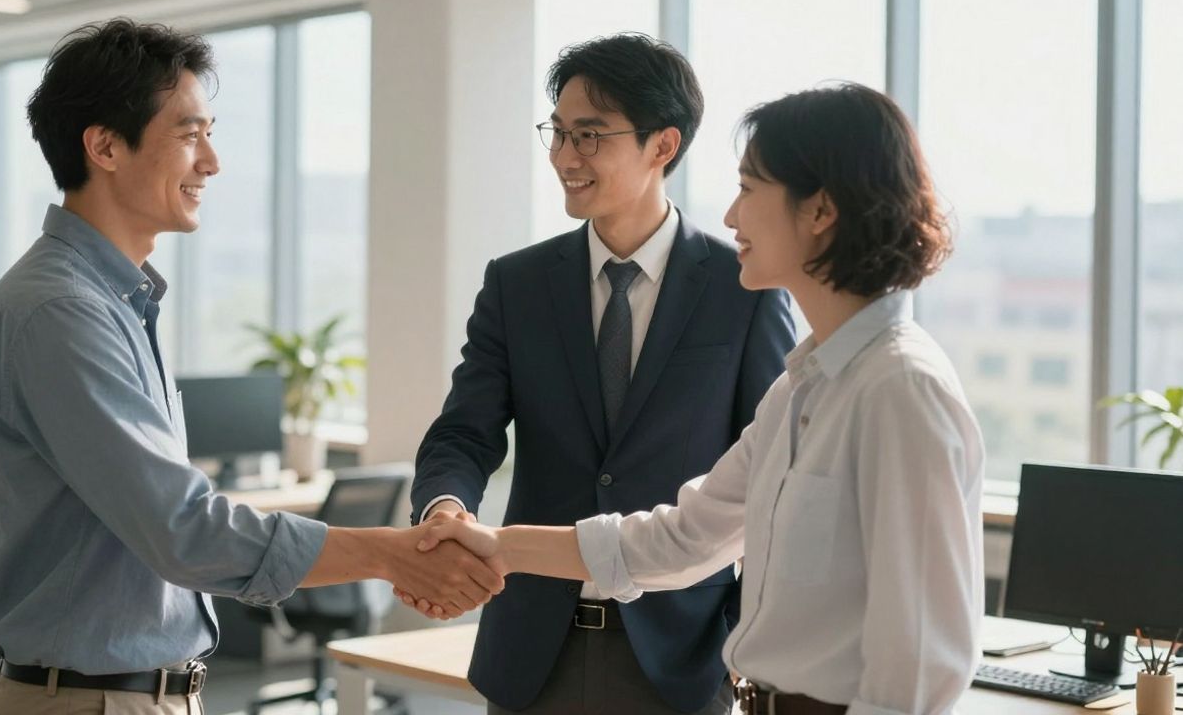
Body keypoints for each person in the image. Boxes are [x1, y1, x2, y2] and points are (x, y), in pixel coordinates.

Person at [0, 19, 502, 715]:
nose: (211, 161)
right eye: (189, 134)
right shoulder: (61, 311)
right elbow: (183, 530)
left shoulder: (113, 300)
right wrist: (391, 553)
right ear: (104, 146)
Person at [413, 83, 985, 715]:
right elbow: (684, 538)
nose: (732, 215)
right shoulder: (801, 389)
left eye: (748, 189)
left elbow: (924, 666)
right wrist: (498, 545)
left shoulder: (902, 389)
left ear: (819, 211)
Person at [404, 33, 795, 714]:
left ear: (662, 146)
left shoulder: (746, 291)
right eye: (556, 134)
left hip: (681, 657)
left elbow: (770, 486)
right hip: (532, 651)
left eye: (589, 136)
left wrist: (747, 643)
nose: (563, 158)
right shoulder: (517, 284)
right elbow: (464, 434)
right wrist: (445, 511)